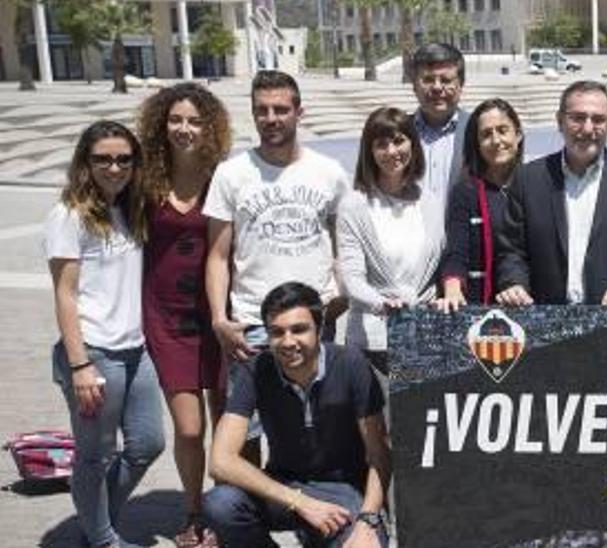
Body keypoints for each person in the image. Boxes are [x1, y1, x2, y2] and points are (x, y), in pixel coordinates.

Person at [204, 70, 349, 461]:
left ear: (299, 112)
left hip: (315, 321)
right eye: (262, 110)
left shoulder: (329, 173)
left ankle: (314, 503)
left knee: (318, 418)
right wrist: (220, 318)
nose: (271, 118)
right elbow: (217, 256)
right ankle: (248, 513)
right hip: (252, 324)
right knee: (245, 429)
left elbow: (343, 246)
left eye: (281, 109)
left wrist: (342, 294)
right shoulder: (231, 174)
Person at [45, 121, 164, 548]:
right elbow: (65, 294)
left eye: (123, 159)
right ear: (85, 162)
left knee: (148, 443)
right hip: (94, 354)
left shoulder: (128, 209)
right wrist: (80, 364)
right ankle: (103, 539)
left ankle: (95, 522)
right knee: (95, 456)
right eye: (103, 159)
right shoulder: (70, 214)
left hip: (135, 350)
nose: (114, 167)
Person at [204, 282, 389, 546]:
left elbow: (380, 454)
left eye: (299, 330)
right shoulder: (255, 370)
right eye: (277, 332)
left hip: (343, 490)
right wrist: (300, 502)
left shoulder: (350, 363)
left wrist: (368, 518)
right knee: (219, 504)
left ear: (319, 328)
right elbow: (220, 461)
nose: (288, 341)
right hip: (284, 485)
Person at [135, 82, 232, 548]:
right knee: (190, 427)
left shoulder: (224, 177)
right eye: (176, 119)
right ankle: (193, 510)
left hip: (219, 313)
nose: (184, 128)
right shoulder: (145, 179)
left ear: (209, 126)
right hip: (166, 316)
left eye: (194, 120)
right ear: (162, 123)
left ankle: (225, 511)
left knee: (226, 421)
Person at [495, 81, 607, 306]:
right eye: (577, 118)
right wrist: (514, 284)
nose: (588, 128)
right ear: (560, 121)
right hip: (544, 317)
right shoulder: (527, 179)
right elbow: (511, 250)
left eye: (598, 119)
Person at [337, 107, 444, 372]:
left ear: (412, 144)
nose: (392, 151)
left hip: (424, 336)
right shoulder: (354, 205)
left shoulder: (429, 200)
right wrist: (380, 303)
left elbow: (438, 266)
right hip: (372, 343)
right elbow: (352, 277)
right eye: (381, 144)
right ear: (369, 152)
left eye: (398, 141)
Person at [436, 98, 525, 310]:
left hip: (526, 302)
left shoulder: (536, 184)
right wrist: (452, 288)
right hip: (481, 307)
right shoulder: (465, 191)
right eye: (486, 134)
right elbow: (456, 250)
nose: (496, 140)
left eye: (503, 130)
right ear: (476, 143)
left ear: (518, 135)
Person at [410, 42, 471, 190]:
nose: (437, 87)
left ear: (460, 85)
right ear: (414, 85)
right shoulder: (398, 133)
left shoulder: (477, 131)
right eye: (428, 80)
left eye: (446, 80)